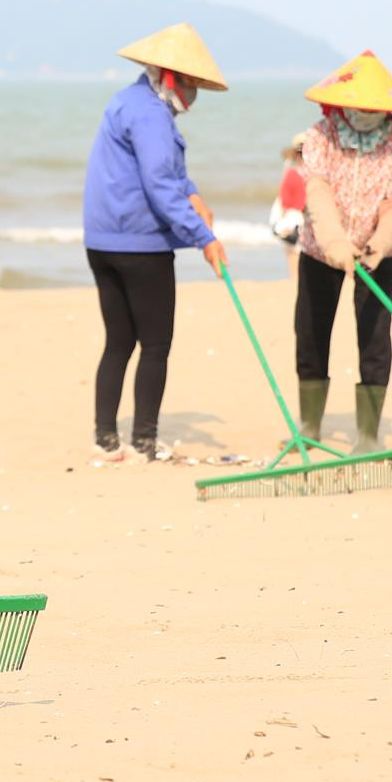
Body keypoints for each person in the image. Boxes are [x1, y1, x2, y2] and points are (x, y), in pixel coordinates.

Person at [81, 23, 228, 462]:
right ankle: (144, 440)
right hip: (139, 246)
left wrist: (194, 193)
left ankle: (105, 439)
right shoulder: (149, 113)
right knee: (156, 344)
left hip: (102, 242)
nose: (192, 95)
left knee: (119, 341)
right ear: (168, 76)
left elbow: (164, 170)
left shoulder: (126, 100)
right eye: (189, 84)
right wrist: (205, 239)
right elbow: (160, 185)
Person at [293, 50, 392, 454]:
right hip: (320, 251)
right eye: (358, 106)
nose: (365, 113)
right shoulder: (319, 136)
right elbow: (318, 192)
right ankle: (310, 427)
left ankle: (367, 435)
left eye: (373, 108)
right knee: (311, 335)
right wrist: (334, 244)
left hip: (376, 255)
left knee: (375, 339)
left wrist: (378, 245)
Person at [269, 133, 310, 280]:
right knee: (301, 257)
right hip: (302, 219)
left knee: (295, 256)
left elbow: (285, 200)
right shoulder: (313, 175)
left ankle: (295, 281)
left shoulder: (294, 174)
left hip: (298, 219)